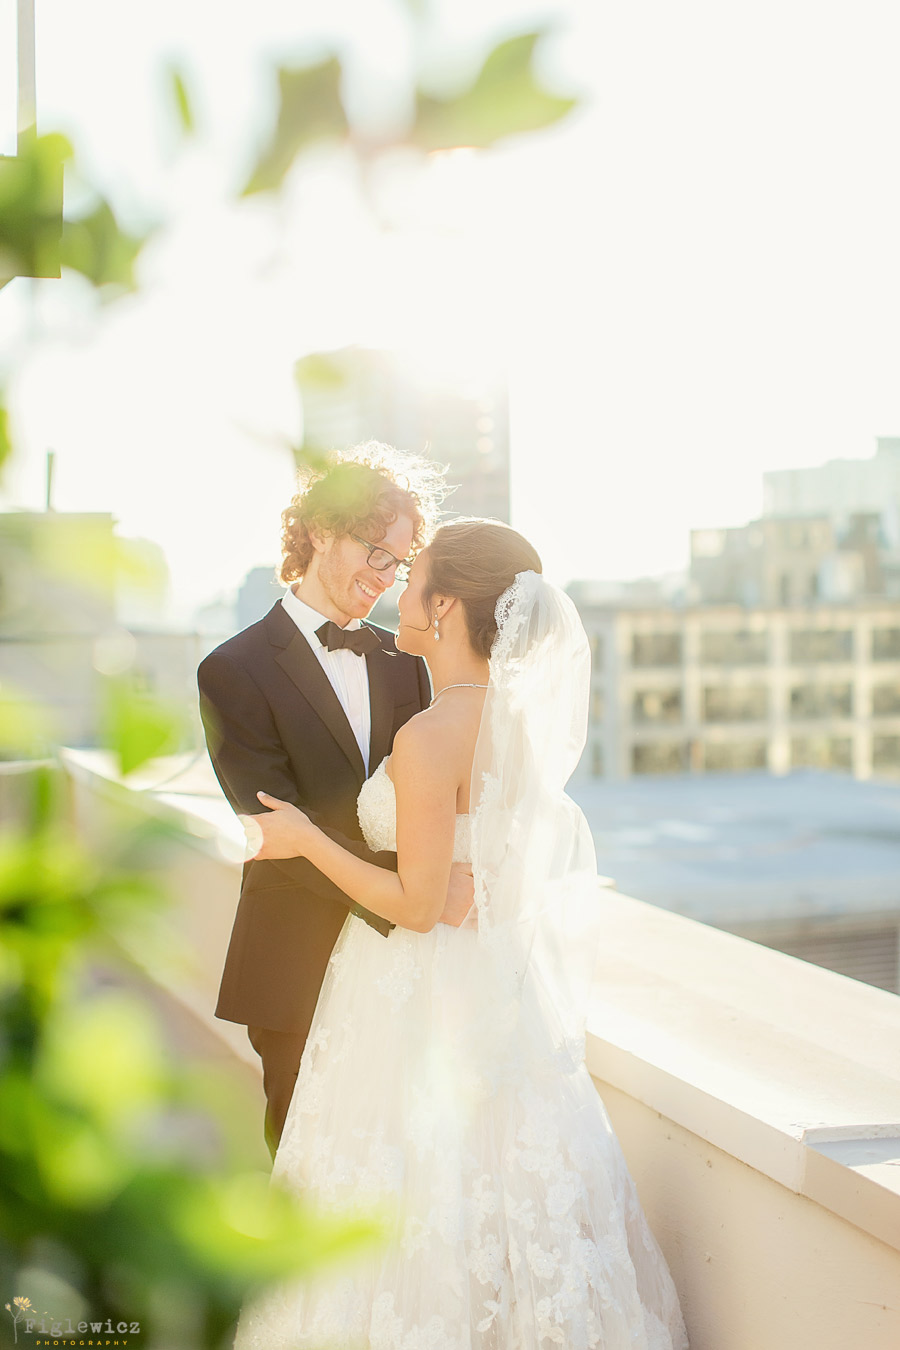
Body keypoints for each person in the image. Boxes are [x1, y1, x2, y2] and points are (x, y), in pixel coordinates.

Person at [233, 518, 691, 1349]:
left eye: (412, 579)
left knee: (405, 1196)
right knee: (491, 1189)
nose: (399, 591)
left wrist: (306, 840)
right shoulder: (518, 726)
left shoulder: (429, 735)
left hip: (410, 995)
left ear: (441, 607)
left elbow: (413, 905)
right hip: (496, 995)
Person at [197, 444, 474, 1159]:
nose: (383, 578)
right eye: (373, 551)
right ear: (320, 531)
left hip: (398, 969)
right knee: (300, 1162)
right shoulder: (231, 669)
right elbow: (274, 828)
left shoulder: (405, 663)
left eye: (398, 564)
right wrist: (416, 891)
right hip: (295, 958)